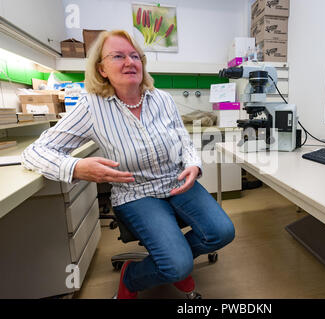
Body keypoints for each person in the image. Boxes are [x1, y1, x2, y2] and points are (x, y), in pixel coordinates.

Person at [21, 30, 235, 299]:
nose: (129, 62)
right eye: (118, 56)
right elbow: (35, 151)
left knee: (223, 232)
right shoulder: (91, 106)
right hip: (136, 192)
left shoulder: (162, 99)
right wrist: (76, 167)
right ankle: (136, 275)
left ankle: (170, 263)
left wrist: (193, 163)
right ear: (102, 68)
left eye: (135, 56)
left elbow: (184, 141)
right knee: (178, 264)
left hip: (176, 181)